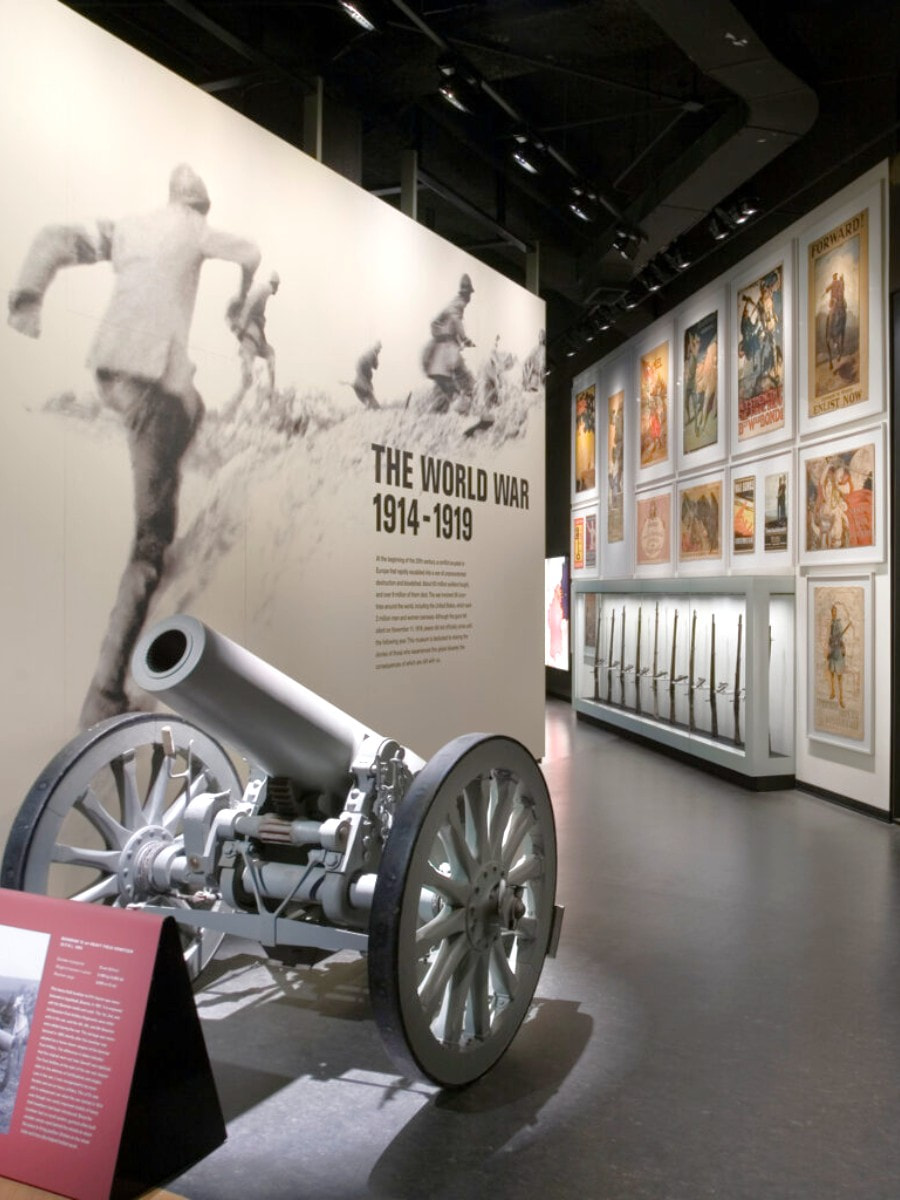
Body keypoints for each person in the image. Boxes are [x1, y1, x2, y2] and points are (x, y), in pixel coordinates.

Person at [7, 164, 261, 727]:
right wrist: (242, 298)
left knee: (191, 406)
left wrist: (28, 296)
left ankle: (165, 475)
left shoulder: (130, 227)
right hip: (150, 382)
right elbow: (250, 251)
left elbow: (56, 237)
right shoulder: (195, 229)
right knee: (149, 546)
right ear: (200, 207)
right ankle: (103, 694)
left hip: (112, 372)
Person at [223, 269, 280, 418]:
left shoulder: (262, 292)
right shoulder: (265, 288)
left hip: (255, 338)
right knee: (247, 380)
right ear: (275, 284)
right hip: (250, 338)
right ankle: (230, 410)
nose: (277, 289)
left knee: (270, 354)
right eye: (277, 286)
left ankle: (271, 393)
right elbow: (250, 301)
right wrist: (241, 326)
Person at [422, 273, 475, 411]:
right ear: (467, 294)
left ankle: (440, 409)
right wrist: (464, 338)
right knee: (462, 378)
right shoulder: (459, 304)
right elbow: (456, 321)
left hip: (443, 348)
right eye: (469, 294)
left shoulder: (454, 303)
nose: (470, 298)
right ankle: (464, 407)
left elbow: (448, 324)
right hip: (445, 349)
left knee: (444, 383)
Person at [826, 604, 850, 707]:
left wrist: (843, 649)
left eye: (835, 611)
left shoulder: (839, 623)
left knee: (839, 676)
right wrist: (829, 650)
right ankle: (832, 692)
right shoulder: (831, 623)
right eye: (832, 612)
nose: (834, 613)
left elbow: (841, 639)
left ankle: (841, 699)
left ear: (836, 612)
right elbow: (830, 639)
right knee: (831, 673)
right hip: (832, 651)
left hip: (838, 652)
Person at [351, 340, 382, 409]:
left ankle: (370, 405)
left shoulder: (372, 353)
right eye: (379, 349)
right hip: (363, 378)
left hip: (362, 378)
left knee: (368, 394)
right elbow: (374, 366)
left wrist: (376, 356)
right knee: (368, 393)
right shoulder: (370, 353)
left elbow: (375, 366)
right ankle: (371, 405)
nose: (379, 351)